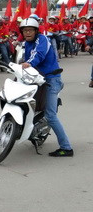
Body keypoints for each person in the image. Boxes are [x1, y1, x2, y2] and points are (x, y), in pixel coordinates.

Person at [19, 18, 73, 157]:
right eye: (25, 30)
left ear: (36, 31)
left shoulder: (42, 40)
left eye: (30, 30)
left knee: (50, 115)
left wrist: (28, 64)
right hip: (38, 77)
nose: (27, 32)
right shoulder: (27, 43)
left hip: (51, 79)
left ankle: (66, 148)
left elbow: (38, 55)